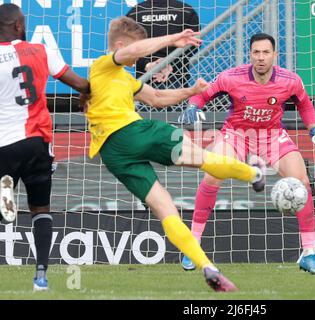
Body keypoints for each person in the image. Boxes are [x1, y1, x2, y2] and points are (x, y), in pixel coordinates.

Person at [86, 16, 265, 292]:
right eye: (138, 46)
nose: (141, 54)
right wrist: (172, 40)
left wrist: (191, 91)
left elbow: (156, 98)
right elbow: (133, 52)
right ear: (120, 45)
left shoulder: (122, 79)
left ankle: (207, 266)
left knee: (165, 207)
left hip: (114, 155)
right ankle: (254, 173)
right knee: (200, 157)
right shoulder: (102, 65)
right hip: (130, 132)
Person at [178, 33, 315, 275]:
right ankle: (192, 246)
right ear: (250, 54)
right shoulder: (231, 77)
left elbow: (305, 104)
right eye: (256, 52)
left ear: (275, 55)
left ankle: (309, 253)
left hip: (272, 136)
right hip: (237, 134)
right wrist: (193, 106)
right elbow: (203, 93)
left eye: (265, 53)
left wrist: (314, 131)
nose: (261, 58)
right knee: (212, 174)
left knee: (302, 183)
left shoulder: (290, 80)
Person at [0, 4, 90, 291]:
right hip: (37, 142)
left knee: (5, 191)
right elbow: (78, 82)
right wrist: (86, 95)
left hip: (4, 145)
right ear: (16, 26)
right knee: (41, 208)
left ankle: (5, 197)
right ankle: (41, 276)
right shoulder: (40, 50)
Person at [126, 0, 200, 88]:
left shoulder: (135, 12)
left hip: (145, 80)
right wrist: (169, 65)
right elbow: (193, 44)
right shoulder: (186, 10)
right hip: (176, 78)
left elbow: (127, 48)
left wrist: (148, 65)